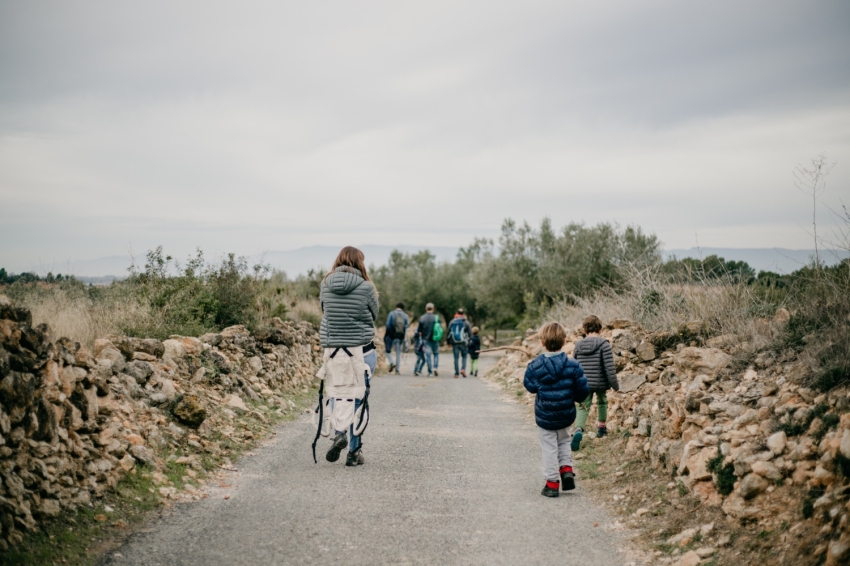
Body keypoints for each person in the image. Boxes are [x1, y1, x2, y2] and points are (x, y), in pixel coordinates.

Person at [319, 246, 379, 466]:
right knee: (358, 398)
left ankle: (339, 433)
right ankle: (354, 452)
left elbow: (324, 310)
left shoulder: (325, 284)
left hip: (334, 352)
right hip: (361, 350)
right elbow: (374, 314)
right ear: (360, 262)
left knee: (338, 394)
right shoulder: (367, 287)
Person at [523, 322, 589, 498]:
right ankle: (567, 470)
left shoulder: (535, 366)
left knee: (549, 448)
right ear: (564, 341)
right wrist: (573, 396)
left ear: (542, 342)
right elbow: (583, 391)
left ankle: (552, 484)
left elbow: (529, 386)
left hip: (545, 415)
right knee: (564, 441)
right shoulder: (573, 365)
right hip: (566, 413)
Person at [571, 315, 619, 451]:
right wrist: (615, 385)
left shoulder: (578, 345)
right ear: (600, 329)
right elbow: (609, 368)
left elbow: (573, 365)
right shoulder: (604, 344)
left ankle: (578, 429)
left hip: (583, 383)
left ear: (584, 330)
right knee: (602, 402)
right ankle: (601, 428)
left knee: (582, 407)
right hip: (600, 383)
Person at [416, 303, 442, 376]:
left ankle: (430, 372)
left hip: (426, 339)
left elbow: (419, 330)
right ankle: (435, 367)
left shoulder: (422, 318)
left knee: (428, 356)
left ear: (426, 308)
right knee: (436, 354)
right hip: (435, 338)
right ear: (433, 309)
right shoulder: (436, 317)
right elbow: (439, 328)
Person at [385, 302, 409, 375]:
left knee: (387, 351)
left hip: (392, 336)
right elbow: (407, 326)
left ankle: (392, 362)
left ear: (396, 306)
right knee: (398, 353)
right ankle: (397, 370)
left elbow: (388, 325)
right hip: (401, 337)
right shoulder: (405, 315)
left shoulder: (392, 314)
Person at [448, 308, 472, 378]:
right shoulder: (466, 322)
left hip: (455, 342)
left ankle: (456, 373)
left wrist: (449, 342)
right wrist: (469, 341)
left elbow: (449, 332)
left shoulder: (452, 322)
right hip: (463, 342)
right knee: (464, 356)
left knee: (456, 358)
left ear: (457, 313)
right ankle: (463, 369)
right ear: (463, 314)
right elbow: (470, 333)